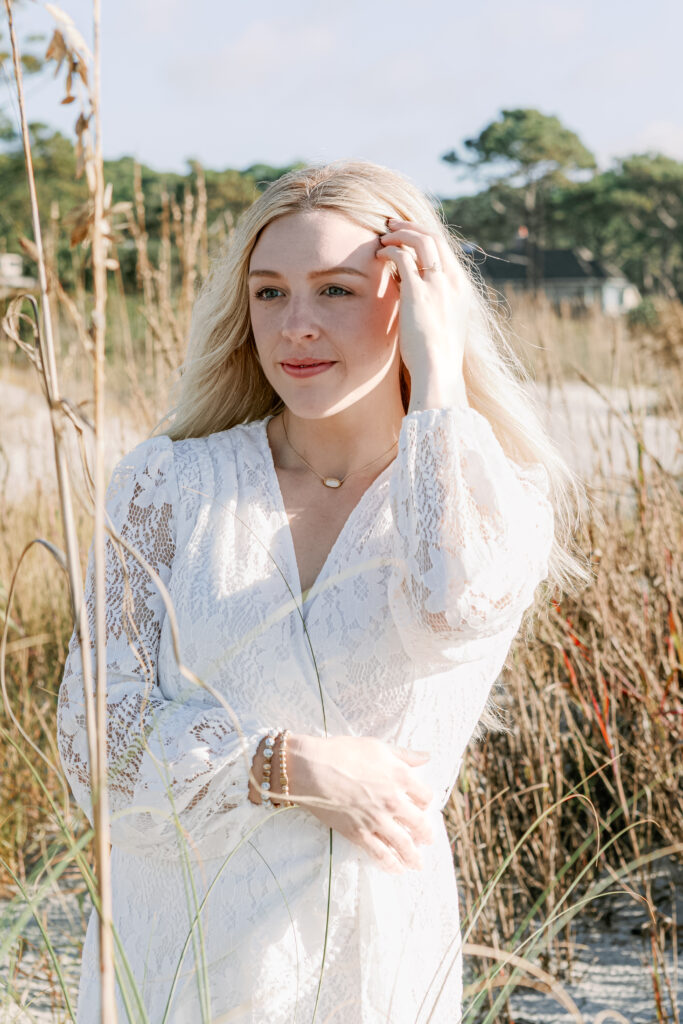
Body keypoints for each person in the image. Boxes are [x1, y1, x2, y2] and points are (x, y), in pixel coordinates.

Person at [57, 159, 587, 1023]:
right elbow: (88, 740)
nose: (294, 327)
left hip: (368, 961)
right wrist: (281, 765)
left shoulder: (491, 498)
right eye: (269, 294)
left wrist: (440, 381)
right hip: (171, 950)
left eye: (336, 290)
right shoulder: (165, 485)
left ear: (416, 299)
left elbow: (454, 608)